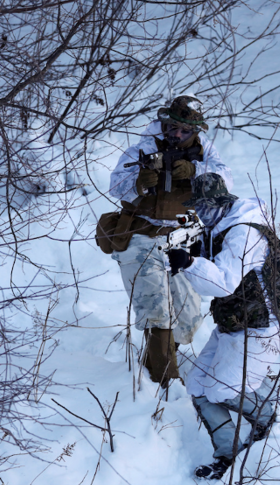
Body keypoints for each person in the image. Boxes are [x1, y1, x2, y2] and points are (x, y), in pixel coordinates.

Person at [167, 172, 280, 480]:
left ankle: (267, 417)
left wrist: (189, 263)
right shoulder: (222, 225)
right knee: (198, 388)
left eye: (206, 207)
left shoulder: (243, 233)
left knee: (221, 391)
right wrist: (193, 251)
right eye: (198, 208)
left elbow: (225, 283)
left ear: (223, 203)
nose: (201, 214)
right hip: (234, 323)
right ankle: (228, 454)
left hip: (259, 327)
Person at [108, 96, 232, 386]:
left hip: (181, 238)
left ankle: (154, 362)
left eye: (185, 130)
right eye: (171, 127)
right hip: (141, 234)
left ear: (196, 131)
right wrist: (139, 182)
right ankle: (166, 381)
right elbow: (115, 184)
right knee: (156, 310)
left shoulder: (205, 152)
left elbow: (226, 181)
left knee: (188, 315)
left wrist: (196, 172)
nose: (176, 134)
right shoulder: (145, 147)